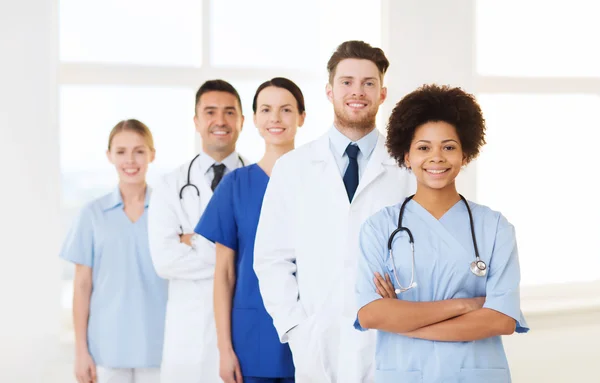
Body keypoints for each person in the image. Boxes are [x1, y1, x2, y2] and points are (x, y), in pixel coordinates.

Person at [253, 41, 414, 383]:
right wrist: (296, 328)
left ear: (382, 93)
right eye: (347, 82)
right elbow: (270, 259)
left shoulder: (408, 168)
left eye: (369, 83)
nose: (358, 91)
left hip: (388, 341)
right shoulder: (293, 168)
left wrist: (405, 306)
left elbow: (424, 253)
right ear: (329, 90)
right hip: (317, 343)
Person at [355, 84, 529, 382]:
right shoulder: (379, 227)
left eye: (448, 147)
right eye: (423, 148)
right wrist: (466, 305)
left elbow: (501, 319)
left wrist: (403, 320)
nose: (436, 157)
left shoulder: (495, 227)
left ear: (465, 155)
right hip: (405, 373)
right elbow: (370, 314)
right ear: (406, 156)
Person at [196, 77, 305, 383]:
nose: (275, 118)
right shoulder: (235, 185)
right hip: (252, 336)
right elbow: (225, 274)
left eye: (286, 110)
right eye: (266, 109)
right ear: (254, 119)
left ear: (302, 117)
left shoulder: (319, 183)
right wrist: (225, 349)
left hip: (309, 331)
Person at [147, 80, 247, 383]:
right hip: (188, 334)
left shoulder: (259, 181)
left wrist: (193, 240)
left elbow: (263, 259)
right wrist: (231, 252)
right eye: (210, 112)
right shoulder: (169, 184)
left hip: (241, 325)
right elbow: (165, 261)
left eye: (229, 112)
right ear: (196, 121)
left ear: (242, 121)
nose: (220, 120)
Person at [59, 119, 167, 383]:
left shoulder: (168, 212)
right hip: (106, 351)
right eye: (121, 152)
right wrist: (81, 351)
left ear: (152, 154)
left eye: (139, 151)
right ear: (109, 156)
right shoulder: (92, 214)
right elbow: (82, 286)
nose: (130, 160)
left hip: (160, 348)